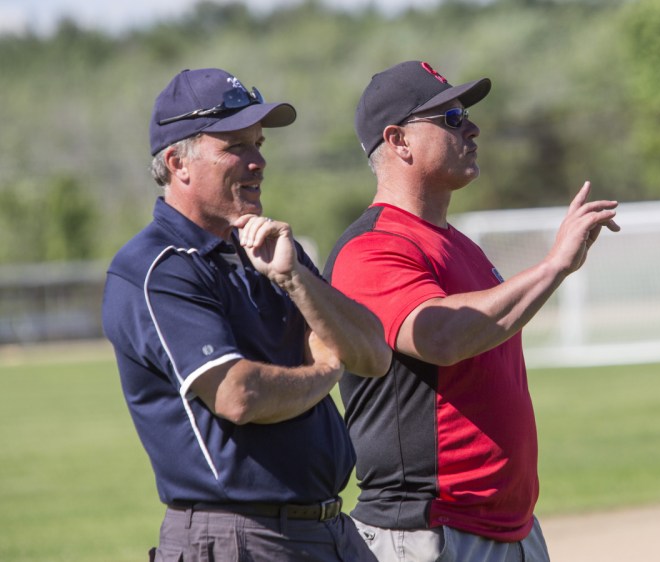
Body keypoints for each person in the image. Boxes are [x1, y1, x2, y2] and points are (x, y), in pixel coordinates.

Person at [323, 60, 620, 562]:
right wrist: (553, 267)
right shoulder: (371, 247)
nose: (472, 126)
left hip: (508, 529)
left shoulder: (457, 244)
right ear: (398, 140)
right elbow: (439, 336)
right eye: (452, 116)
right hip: (427, 532)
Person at [101, 67, 391, 562]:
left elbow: (373, 355)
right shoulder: (154, 267)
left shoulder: (271, 247)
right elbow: (240, 394)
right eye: (236, 146)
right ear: (178, 163)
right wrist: (324, 367)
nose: (258, 162)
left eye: (259, 144)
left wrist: (295, 277)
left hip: (330, 531)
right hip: (240, 538)